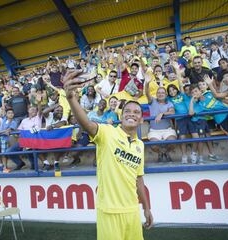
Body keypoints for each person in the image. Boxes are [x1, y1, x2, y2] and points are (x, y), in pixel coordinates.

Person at [63, 70, 153, 240]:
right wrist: (70, 98)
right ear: (121, 114)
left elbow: (139, 179)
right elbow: (87, 123)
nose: (131, 114)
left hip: (132, 210)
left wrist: (146, 208)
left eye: (136, 112)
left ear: (141, 120)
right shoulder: (107, 133)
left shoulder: (140, 145)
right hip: (109, 211)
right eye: (127, 111)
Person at [144, 73, 176, 162]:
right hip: (154, 130)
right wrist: (147, 83)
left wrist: (162, 114)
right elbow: (147, 93)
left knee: (173, 142)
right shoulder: (152, 101)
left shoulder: (169, 103)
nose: (160, 94)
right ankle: (160, 153)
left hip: (167, 129)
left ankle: (166, 152)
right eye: (159, 92)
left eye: (162, 93)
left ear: (166, 94)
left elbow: (172, 112)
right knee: (153, 145)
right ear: (156, 94)